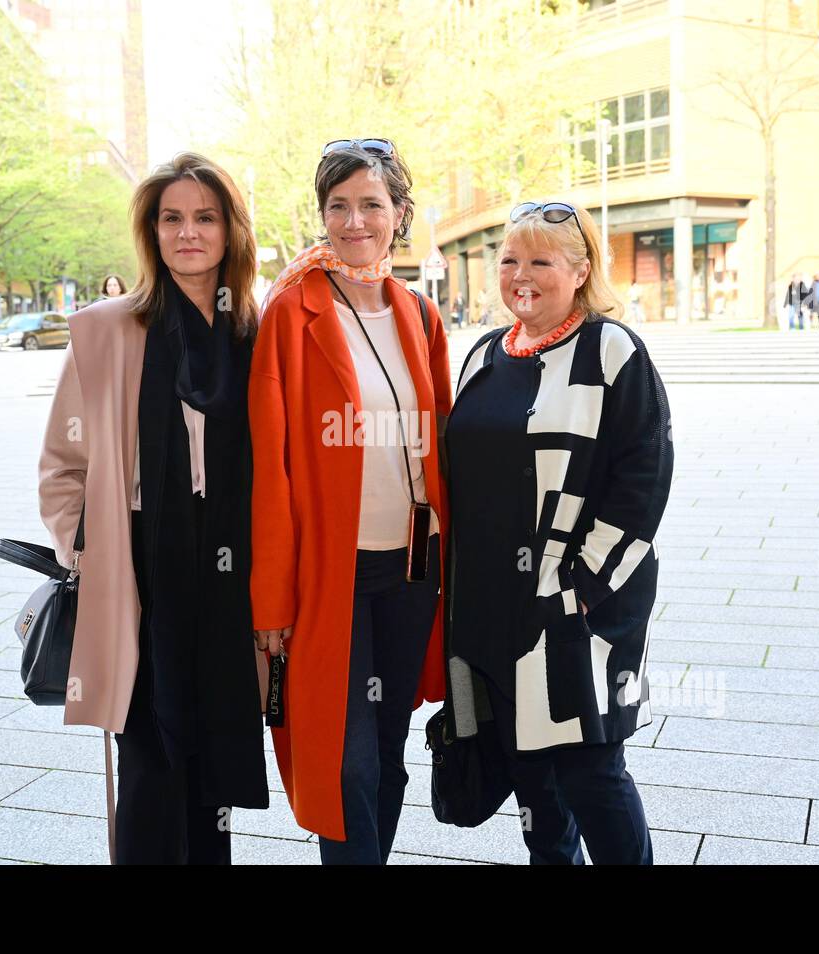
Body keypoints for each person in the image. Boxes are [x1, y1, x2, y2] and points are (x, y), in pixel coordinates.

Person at [38, 153, 268, 864]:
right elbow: (62, 466)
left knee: (217, 747)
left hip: (232, 563)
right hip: (142, 561)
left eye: (205, 217)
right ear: (151, 231)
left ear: (231, 231)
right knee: (148, 749)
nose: (188, 232)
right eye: (172, 218)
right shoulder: (107, 330)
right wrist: (90, 552)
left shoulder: (255, 333)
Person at [445, 200, 673, 864]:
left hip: (577, 614)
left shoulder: (611, 350)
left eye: (541, 260)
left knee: (591, 775)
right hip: (493, 618)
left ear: (580, 270)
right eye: (509, 259)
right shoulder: (485, 354)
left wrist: (580, 588)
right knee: (535, 794)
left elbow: (645, 478)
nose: (521, 274)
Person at [251, 138, 451, 864]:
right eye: (338, 205)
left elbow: (442, 453)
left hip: (410, 570)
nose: (354, 220)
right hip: (329, 576)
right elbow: (268, 469)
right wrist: (269, 602)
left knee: (390, 755)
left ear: (399, 213)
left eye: (371, 203)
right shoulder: (292, 312)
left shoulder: (420, 316)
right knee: (347, 765)